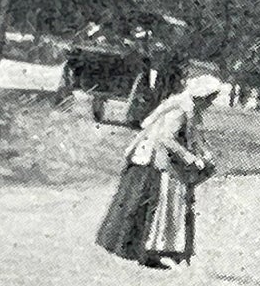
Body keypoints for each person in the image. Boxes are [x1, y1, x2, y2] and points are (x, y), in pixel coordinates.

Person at [96, 71, 225, 268]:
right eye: (211, 98)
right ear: (203, 96)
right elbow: (166, 137)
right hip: (152, 159)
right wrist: (189, 157)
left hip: (159, 158)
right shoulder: (182, 108)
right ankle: (145, 250)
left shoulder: (191, 108)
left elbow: (195, 137)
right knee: (152, 201)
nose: (211, 103)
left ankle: (149, 249)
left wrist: (205, 154)